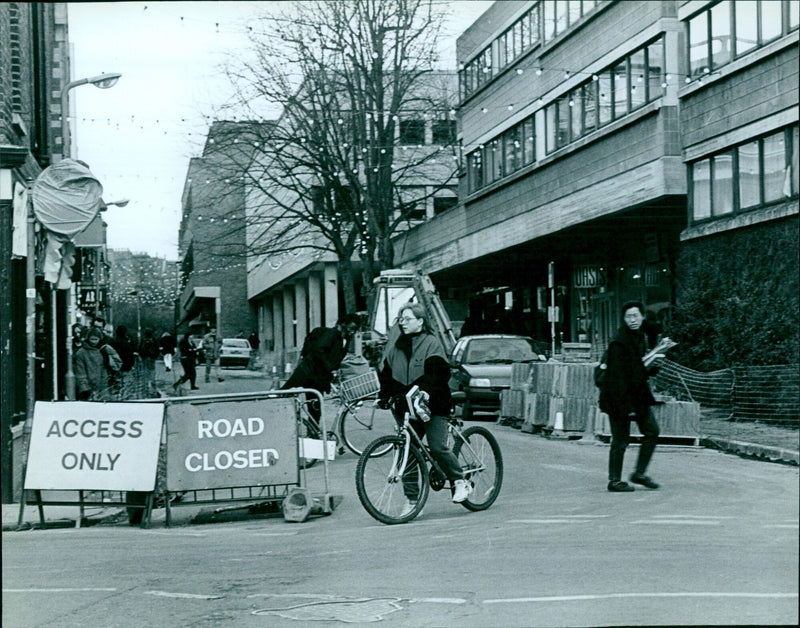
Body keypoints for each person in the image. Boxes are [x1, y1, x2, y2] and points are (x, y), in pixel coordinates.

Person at [377, 302, 473, 506]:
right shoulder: (397, 347)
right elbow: (386, 374)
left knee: (437, 446)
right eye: (401, 319)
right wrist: (384, 396)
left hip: (434, 405)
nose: (403, 323)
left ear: (420, 321)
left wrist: (426, 392)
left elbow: (437, 373)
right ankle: (412, 501)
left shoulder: (431, 343)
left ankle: (459, 480)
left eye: (407, 319)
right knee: (408, 451)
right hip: (407, 407)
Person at [599, 300, 661, 492]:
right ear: (624, 319)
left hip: (636, 394)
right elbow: (618, 376)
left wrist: (649, 368)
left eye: (635, 316)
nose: (632, 320)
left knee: (652, 431)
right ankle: (614, 480)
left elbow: (635, 368)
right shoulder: (619, 342)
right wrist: (625, 406)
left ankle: (639, 473)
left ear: (642, 317)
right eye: (628, 317)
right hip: (618, 396)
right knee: (620, 439)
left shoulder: (639, 336)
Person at [281, 314, 361, 422]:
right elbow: (319, 349)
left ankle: (313, 432)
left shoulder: (344, 339)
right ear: (343, 324)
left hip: (317, 377)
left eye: (355, 330)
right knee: (283, 394)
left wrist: (334, 369)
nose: (352, 332)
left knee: (315, 408)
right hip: (307, 372)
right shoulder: (332, 334)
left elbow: (334, 357)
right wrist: (330, 367)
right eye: (351, 329)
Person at [74, 326, 123, 401]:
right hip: (90, 387)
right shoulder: (81, 353)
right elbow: (80, 372)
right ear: (88, 339)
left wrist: (110, 362)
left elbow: (118, 363)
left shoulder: (105, 349)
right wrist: (84, 388)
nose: (94, 342)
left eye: (96, 339)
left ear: (100, 339)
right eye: (92, 339)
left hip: (105, 384)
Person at [138, 328, 160, 396]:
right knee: (152, 374)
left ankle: (145, 390)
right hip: (151, 359)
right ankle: (153, 390)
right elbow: (157, 349)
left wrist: (142, 357)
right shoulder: (154, 340)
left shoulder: (143, 340)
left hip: (145, 359)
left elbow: (139, 349)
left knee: (145, 374)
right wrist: (154, 357)